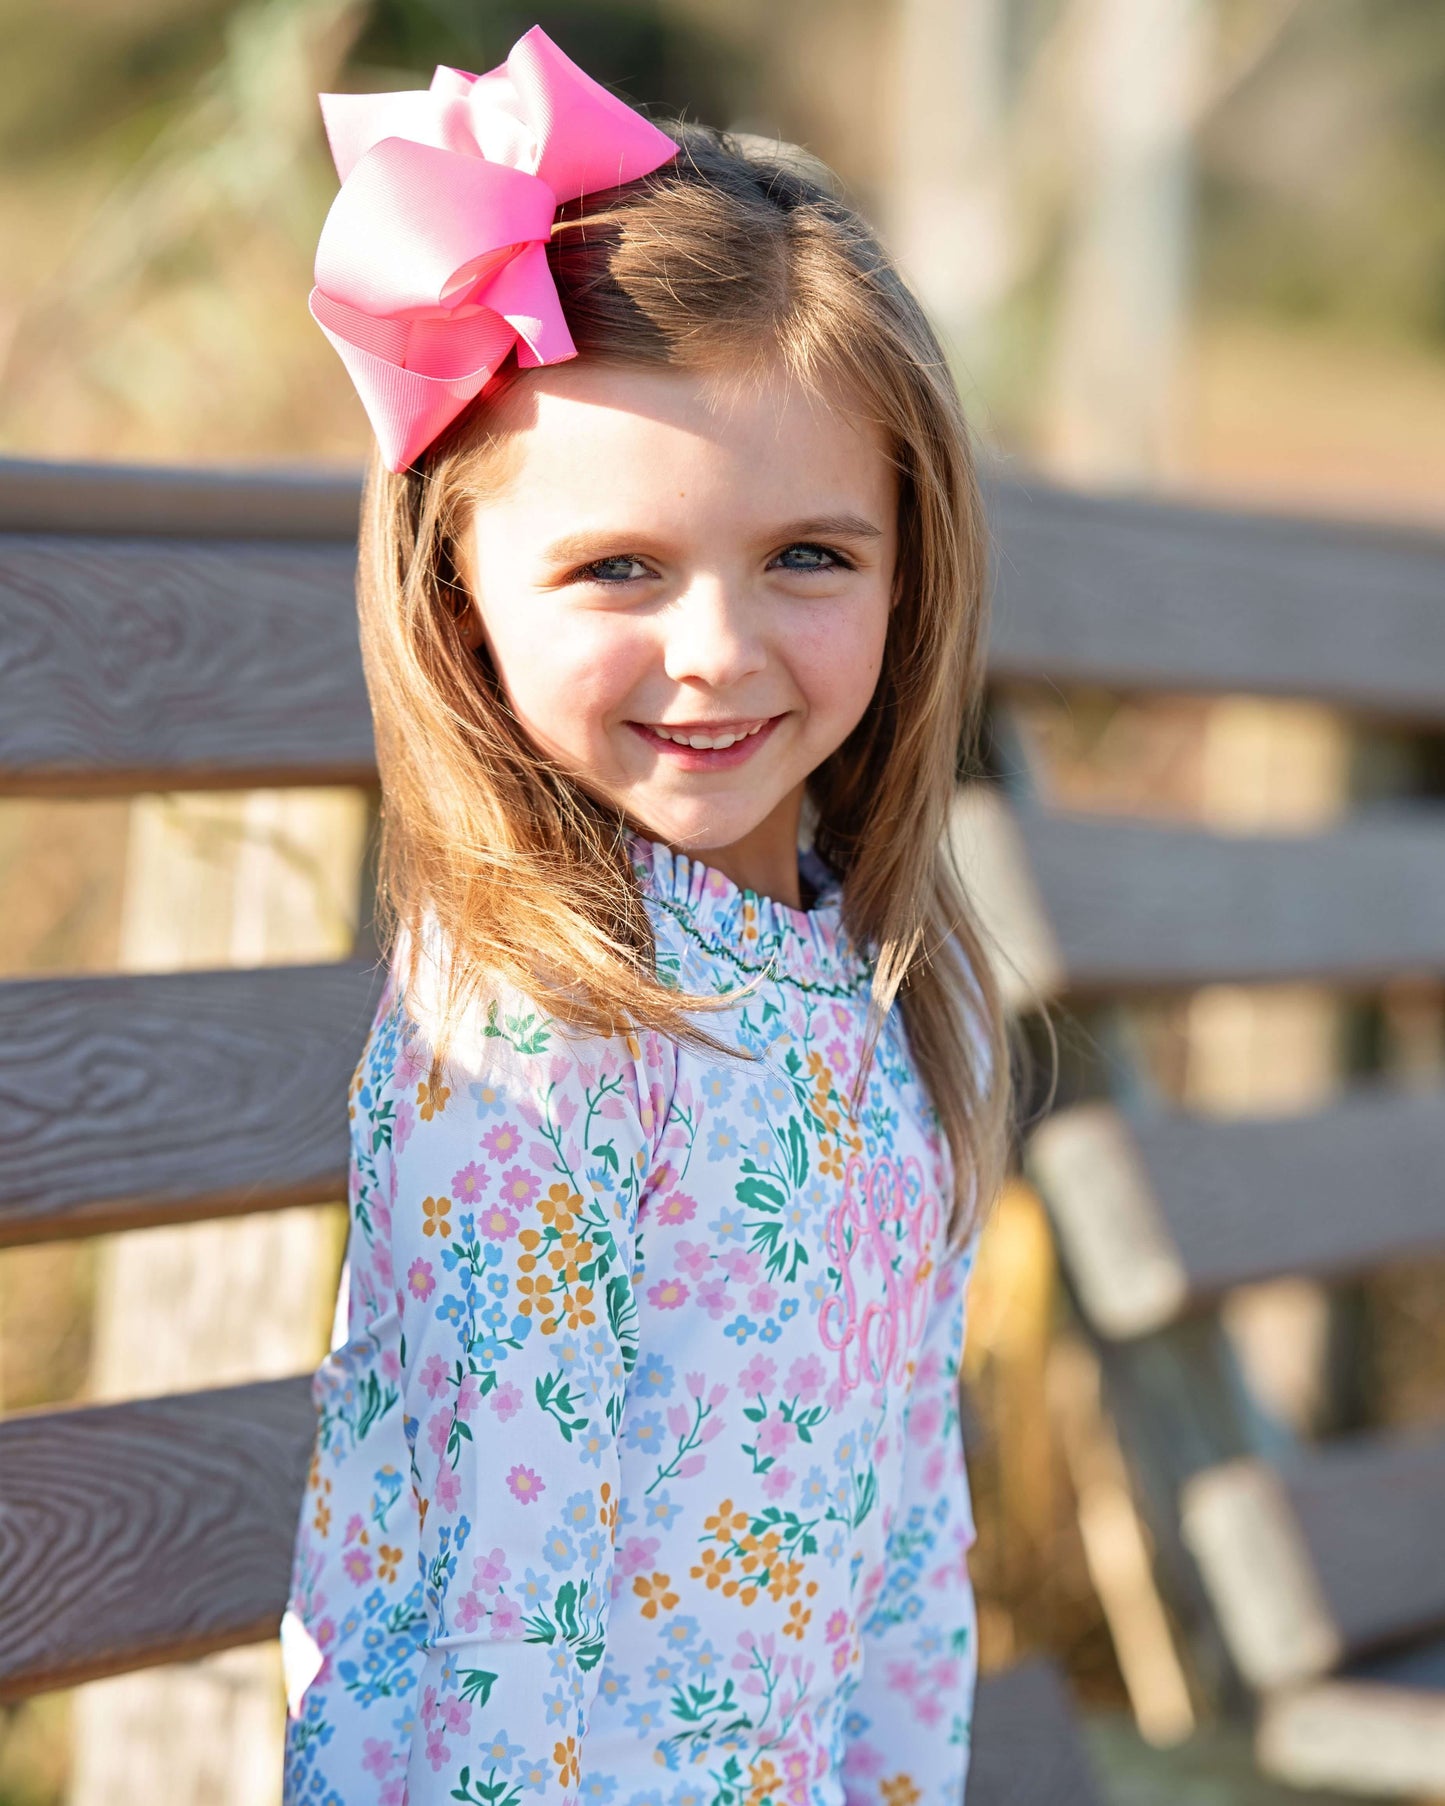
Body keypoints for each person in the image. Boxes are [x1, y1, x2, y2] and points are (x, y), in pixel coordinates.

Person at [281, 25, 1015, 1806]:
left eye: (808, 556)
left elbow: (905, 1548)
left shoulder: (894, 996)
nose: (717, 649)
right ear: (460, 600)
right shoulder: (538, 1040)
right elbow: (495, 1615)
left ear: (909, 567)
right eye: (621, 567)